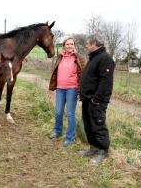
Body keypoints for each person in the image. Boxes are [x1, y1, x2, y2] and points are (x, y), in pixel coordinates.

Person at [79, 35, 115, 164]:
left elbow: (106, 83)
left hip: (96, 101)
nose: (86, 46)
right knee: (88, 125)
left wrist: (96, 99)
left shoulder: (105, 59)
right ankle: (93, 148)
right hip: (87, 99)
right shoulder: (93, 58)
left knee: (98, 125)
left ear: (94, 44)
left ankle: (103, 151)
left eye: (87, 44)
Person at [49, 37, 86, 147]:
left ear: (74, 45)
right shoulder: (60, 57)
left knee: (70, 114)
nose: (70, 46)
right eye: (67, 44)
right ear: (64, 46)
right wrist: (52, 88)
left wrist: (80, 91)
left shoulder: (79, 58)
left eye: (72, 44)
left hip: (72, 89)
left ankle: (70, 138)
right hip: (60, 88)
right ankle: (57, 131)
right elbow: (55, 73)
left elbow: (83, 75)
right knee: (58, 112)